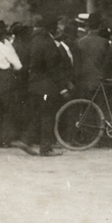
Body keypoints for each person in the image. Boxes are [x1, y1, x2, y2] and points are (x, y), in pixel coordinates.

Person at [15, 17, 74, 156]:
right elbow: (53, 69)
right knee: (48, 116)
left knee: (39, 114)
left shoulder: (35, 41)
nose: (59, 29)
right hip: (46, 88)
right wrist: (63, 88)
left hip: (35, 86)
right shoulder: (49, 43)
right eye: (57, 26)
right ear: (52, 29)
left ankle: (26, 140)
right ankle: (45, 148)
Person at [76, 13, 111, 98]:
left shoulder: (80, 42)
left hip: (84, 82)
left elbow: (78, 63)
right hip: (98, 82)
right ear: (100, 26)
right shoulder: (104, 42)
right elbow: (107, 63)